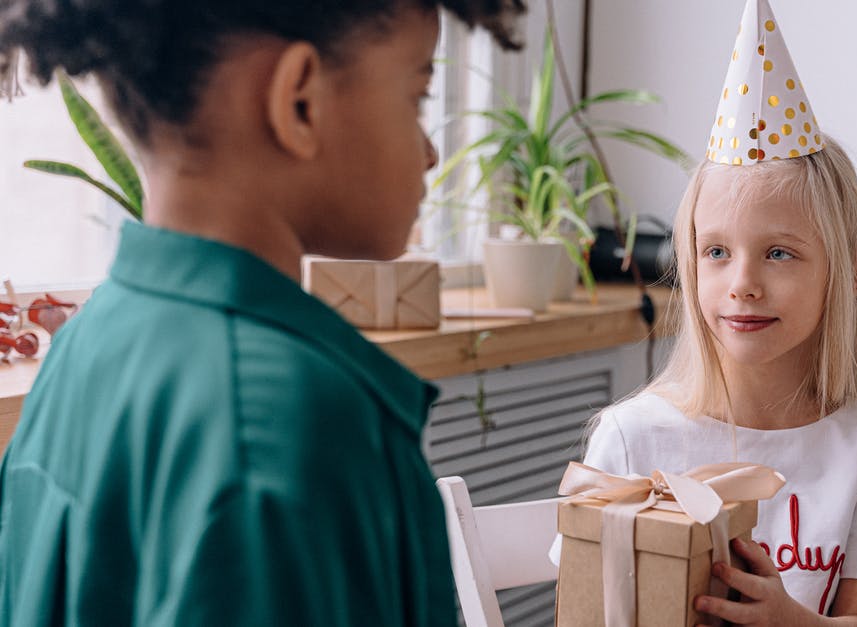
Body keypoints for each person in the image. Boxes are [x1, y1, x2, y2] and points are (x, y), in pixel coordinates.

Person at [0, 0, 523, 624]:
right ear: (299, 100)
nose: (431, 152)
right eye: (416, 97)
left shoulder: (89, 343)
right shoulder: (281, 423)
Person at [582, 1, 857, 624]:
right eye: (716, 251)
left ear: (848, 272)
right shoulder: (632, 440)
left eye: (779, 253)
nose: (743, 284)